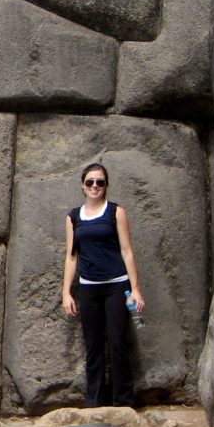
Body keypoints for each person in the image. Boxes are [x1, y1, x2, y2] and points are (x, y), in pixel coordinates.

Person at [61, 163, 145, 408]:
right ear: (82, 186)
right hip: (89, 287)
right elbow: (71, 256)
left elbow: (127, 251)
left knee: (118, 342)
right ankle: (94, 402)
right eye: (90, 182)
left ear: (106, 185)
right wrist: (66, 292)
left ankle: (123, 402)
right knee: (93, 345)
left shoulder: (115, 212)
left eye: (100, 182)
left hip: (117, 286)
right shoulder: (74, 217)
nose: (95, 186)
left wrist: (136, 288)